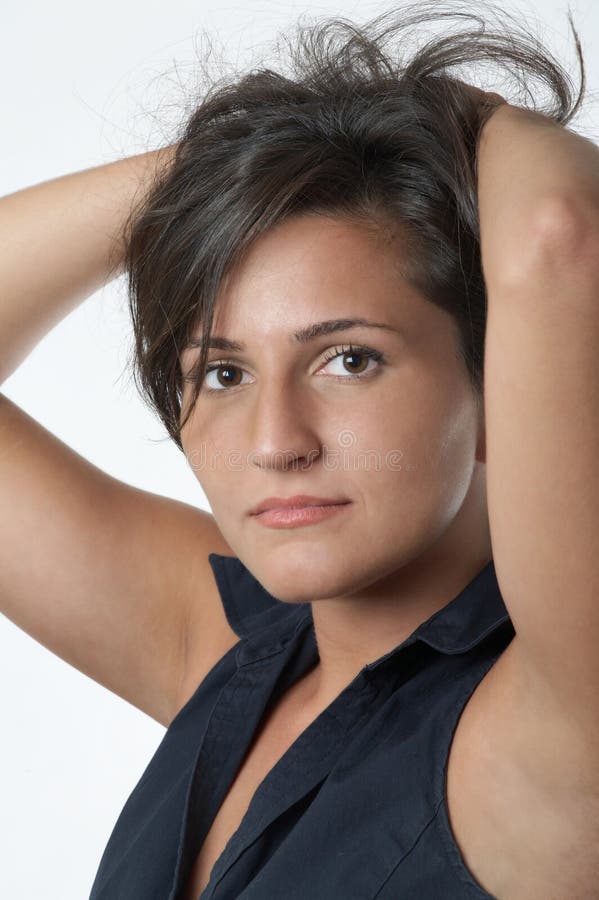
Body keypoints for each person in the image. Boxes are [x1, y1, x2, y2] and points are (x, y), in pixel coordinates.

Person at [2, 3, 599, 898]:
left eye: (348, 360)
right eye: (224, 374)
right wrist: (252, 163)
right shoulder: (228, 651)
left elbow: (561, 234)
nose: (276, 443)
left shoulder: (547, 730)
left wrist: (456, 122)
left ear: (493, 382)